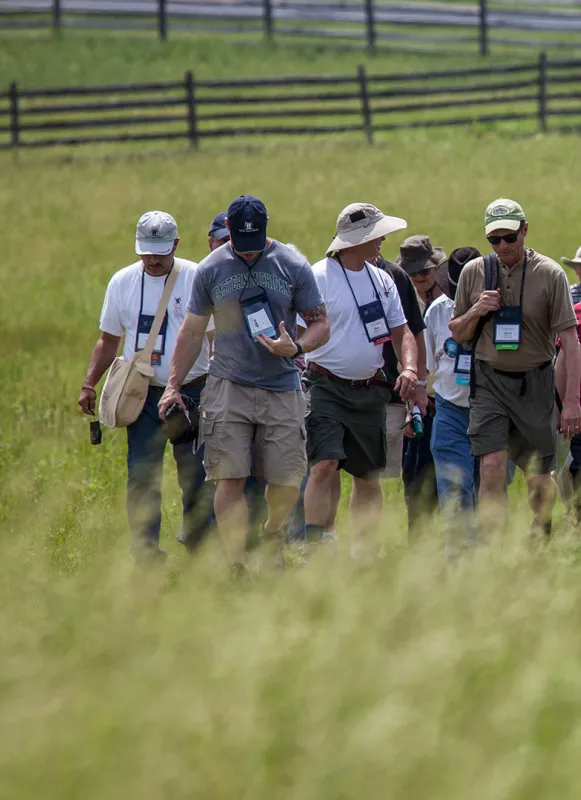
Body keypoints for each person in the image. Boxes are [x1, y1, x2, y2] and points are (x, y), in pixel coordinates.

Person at [158, 195, 329, 571]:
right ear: (228, 234)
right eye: (241, 245)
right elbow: (191, 331)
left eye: (255, 246)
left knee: (285, 480)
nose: (249, 253)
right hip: (228, 385)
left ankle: (272, 532)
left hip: (281, 384)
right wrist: (173, 384)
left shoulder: (292, 264)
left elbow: (321, 323)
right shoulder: (210, 269)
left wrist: (296, 345)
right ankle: (236, 565)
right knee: (229, 477)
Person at [78, 211, 214, 562]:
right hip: (142, 395)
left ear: (176, 245)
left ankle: (199, 547)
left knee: (196, 474)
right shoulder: (121, 282)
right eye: (147, 252)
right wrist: (89, 382)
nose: (153, 259)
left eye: (161, 252)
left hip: (192, 392)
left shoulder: (197, 277)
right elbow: (109, 340)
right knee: (141, 475)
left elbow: (216, 338)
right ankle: (145, 551)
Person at [449, 197, 581, 536]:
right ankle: (495, 549)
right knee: (491, 466)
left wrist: (570, 402)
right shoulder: (474, 272)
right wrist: (477, 310)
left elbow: (570, 341)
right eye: (495, 239)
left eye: (510, 237)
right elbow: (458, 333)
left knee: (539, 476)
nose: (503, 245)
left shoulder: (549, 273)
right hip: (489, 383)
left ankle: (542, 527)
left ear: (525, 231)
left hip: (535, 384)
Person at [302, 203, 419, 549]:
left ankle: (364, 551)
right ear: (357, 239)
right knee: (325, 463)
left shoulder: (382, 278)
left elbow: (402, 333)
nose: (382, 239)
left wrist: (410, 367)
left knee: (368, 475)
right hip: (325, 385)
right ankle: (316, 543)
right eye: (376, 234)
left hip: (370, 390)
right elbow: (299, 330)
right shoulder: (318, 276)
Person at [397, 235, 449, 536]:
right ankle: (418, 543)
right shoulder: (404, 302)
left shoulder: (451, 301)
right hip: (418, 405)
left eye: (424, 272)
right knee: (416, 479)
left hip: (447, 400)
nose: (418, 278)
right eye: (412, 273)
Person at [424, 247, 481, 517]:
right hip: (450, 411)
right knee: (455, 492)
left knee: (490, 491)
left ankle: (491, 555)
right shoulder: (436, 312)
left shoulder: (499, 308)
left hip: (492, 410)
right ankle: (458, 557)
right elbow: (429, 367)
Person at [375, 254, 428, 482]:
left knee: (380, 478)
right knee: (328, 468)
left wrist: (420, 384)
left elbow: (414, 333)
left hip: (389, 392)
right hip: (339, 389)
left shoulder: (395, 276)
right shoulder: (328, 274)